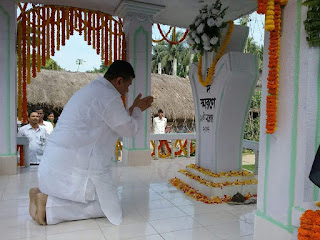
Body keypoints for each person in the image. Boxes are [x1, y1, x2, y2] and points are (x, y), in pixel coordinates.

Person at [29, 60, 153, 226]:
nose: (127, 90)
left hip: (55, 165)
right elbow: (129, 129)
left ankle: (42, 194)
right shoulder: (109, 96)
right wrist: (137, 110)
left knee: (103, 199)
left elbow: (114, 120)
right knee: (109, 208)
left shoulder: (93, 90)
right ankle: (47, 205)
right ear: (118, 81)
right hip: (74, 167)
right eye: (128, 85)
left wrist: (133, 109)